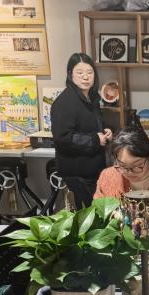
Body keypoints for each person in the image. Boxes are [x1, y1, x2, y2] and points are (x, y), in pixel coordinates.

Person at [51, 52, 112, 209]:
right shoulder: (65, 102)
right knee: (86, 216)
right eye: (80, 73)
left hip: (92, 171)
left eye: (89, 72)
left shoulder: (91, 98)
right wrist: (95, 140)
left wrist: (105, 131)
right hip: (77, 175)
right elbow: (63, 138)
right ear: (70, 74)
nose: (85, 77)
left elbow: (88, 126)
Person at [94, 127, 149, 217]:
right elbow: (97, 215)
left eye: (137, 166)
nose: (129, 172)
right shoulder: (107, 177)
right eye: (122, 165)